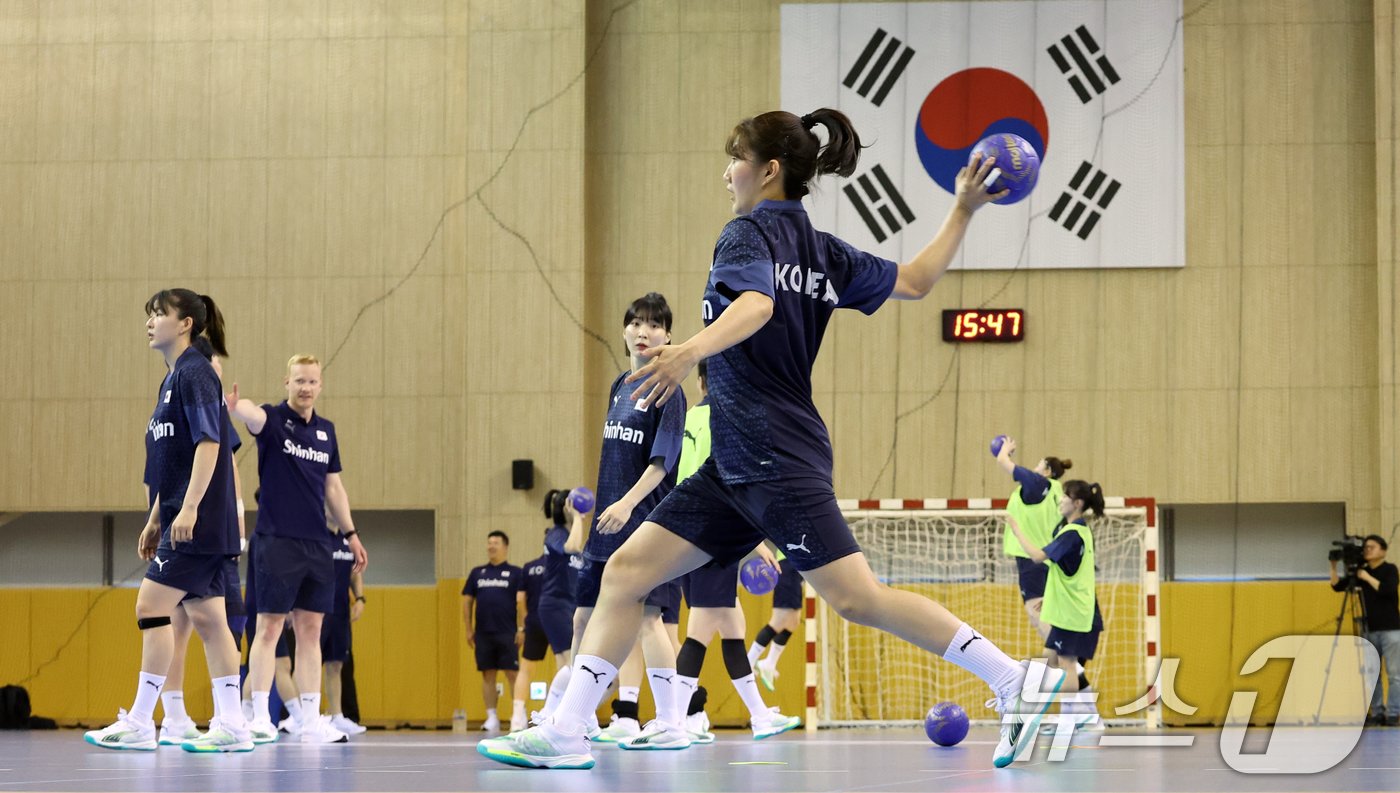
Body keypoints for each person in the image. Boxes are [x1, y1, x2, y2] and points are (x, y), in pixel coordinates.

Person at [479, 108, 1062, 771]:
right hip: (732, 463)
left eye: (735, 157)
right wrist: (963, 209)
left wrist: (685, 353)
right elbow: (916, 280)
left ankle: (1016, 679)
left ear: (768, 171)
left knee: (856, 597)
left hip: (773, 453)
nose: (727, 171)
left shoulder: (746, 233)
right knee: (627, 571)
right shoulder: (821, 249)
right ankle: (566, 730)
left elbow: (756, 306)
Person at [85, 289, 252, 753]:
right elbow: (172, 461)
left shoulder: (196, 372)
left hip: (198, 521)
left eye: (159, 314)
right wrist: (157, 515)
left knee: (150, 606)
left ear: (184, 325)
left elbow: (209, 444)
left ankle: (141, 721)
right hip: (185, 517)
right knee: (207, 617)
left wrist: (191, 508)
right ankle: (234, 725)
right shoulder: (173, 379)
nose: (150, 322)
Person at [535, 293, 690, 751]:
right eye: (636, 323)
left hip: (644, 521)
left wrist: (625, 503)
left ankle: (671, 722)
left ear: (667, 336)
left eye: (654, 325)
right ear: (624, 330)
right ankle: (571, 717)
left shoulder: (671, 389)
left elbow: (663, 464)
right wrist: (608, 507)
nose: (644, 332)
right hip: (606, 527)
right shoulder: (621, 384)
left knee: (646, 619)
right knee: (583, 621)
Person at [225, 354, 369, 744]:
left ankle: (309, 718)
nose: (305, 388)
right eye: (299, 381)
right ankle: (257, 715)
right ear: (286, 382)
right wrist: (238, 409)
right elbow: (254, 417)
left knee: (311, 631)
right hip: (277, 542)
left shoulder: (327, 432)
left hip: (318, 544)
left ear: (320, 386)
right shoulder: (273, 420)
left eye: (312, 382)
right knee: (269, 628)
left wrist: (351, 534)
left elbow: (334, 488)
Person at [674, 361, 800, 740]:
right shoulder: (727, 422)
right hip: (714, 536)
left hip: (687, 534)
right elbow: (729, 487)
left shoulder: (686, 420)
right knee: (699, 632)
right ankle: (673, 720)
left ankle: (760, 716)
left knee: (733, 630)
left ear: (699, 382)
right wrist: (756, 542)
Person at [155, 338, 250, 746]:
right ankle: (181, 716)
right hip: (179, 523)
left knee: (178, 614)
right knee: (188, 620)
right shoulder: (172, 399)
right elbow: (165, 473)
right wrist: (156, 518)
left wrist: (237, 519)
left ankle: (155, 718)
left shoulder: (203, 396)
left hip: (205, 529)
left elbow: (224, 462)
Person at [1007, 480, 1107, 732]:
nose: (1060, 500)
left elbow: (1038, 557)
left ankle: (1069, 718)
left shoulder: (1073, 534)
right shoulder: (1078, 531)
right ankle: (1091, 717)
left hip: (1074, 614)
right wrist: (1050, 602)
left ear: (1077, 503)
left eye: (1064, 497)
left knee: (1066, 665)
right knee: (1050, 661)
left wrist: (1016, 528)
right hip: (1070, 610)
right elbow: (1063, 572)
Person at [1330, 534, 1400, 726]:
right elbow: (1337, 586)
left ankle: (1394, 712)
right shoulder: (1360, 573)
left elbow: (1387, 590)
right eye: (1366, 548)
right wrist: (1334, 566)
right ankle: (1377, 711)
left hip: (1391, 629)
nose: (1368, 550)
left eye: (1372, 547)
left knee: (1394, 673)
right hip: (1369, 629)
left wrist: (1366, 577)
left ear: (1383, 551)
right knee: (1372, 672)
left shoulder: (1389, 569)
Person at [462, 531, 525, 732]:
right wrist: (469, 629)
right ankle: (492, 718)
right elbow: (467, 601)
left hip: (508, 632)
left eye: (495, 543)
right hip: (483, 633)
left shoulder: (516, 573)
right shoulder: (477, 573)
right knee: (487, 675)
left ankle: (517, 715)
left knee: (512, 674)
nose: (491, 547)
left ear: (505, 546)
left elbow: (522, 602)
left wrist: (522, 628)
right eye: (489, 543)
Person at [322, 524, 367, 735]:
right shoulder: (316, 532)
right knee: (308, 661)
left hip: (340, 612)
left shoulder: (349, 540)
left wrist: (360, 598)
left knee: (336, 663)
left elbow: (355, 572)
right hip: (316, 610)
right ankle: (302, 716)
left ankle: (337, 716)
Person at [512, 549, 548, 733]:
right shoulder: (568, 562)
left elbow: (520, 599)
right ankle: (564, 714)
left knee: (525, 669)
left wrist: (525, 622)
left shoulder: (529, 567)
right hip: (560, 619)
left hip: (534, 620)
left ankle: (517, 719)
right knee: (569, 666)